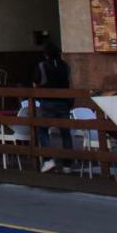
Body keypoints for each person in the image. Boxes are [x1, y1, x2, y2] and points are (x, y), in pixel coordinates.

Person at [34, 42, 73, 172]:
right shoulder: (65, 66)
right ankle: (68, 164)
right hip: (63, 102)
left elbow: (36, 81)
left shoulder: (42, 66)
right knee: (65, 133)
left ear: (46, 54)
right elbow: (68, 82)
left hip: (47, 102)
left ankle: (48, 160)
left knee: (43, 130)